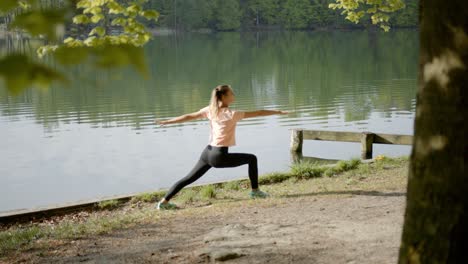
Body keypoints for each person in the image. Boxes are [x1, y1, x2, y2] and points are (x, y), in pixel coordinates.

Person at [155, 84, 288, 210]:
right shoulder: (232, 114)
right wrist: (278, 112)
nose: (234, 95)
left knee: (188, 178)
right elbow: (259, 113)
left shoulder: (210, 110)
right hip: (219, 155)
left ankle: (164, 202)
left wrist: (168, 121)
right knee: (252, 159)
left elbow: (189, 116)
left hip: (207, 153)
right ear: (224, 97)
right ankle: (255, 191)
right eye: (231, 93)